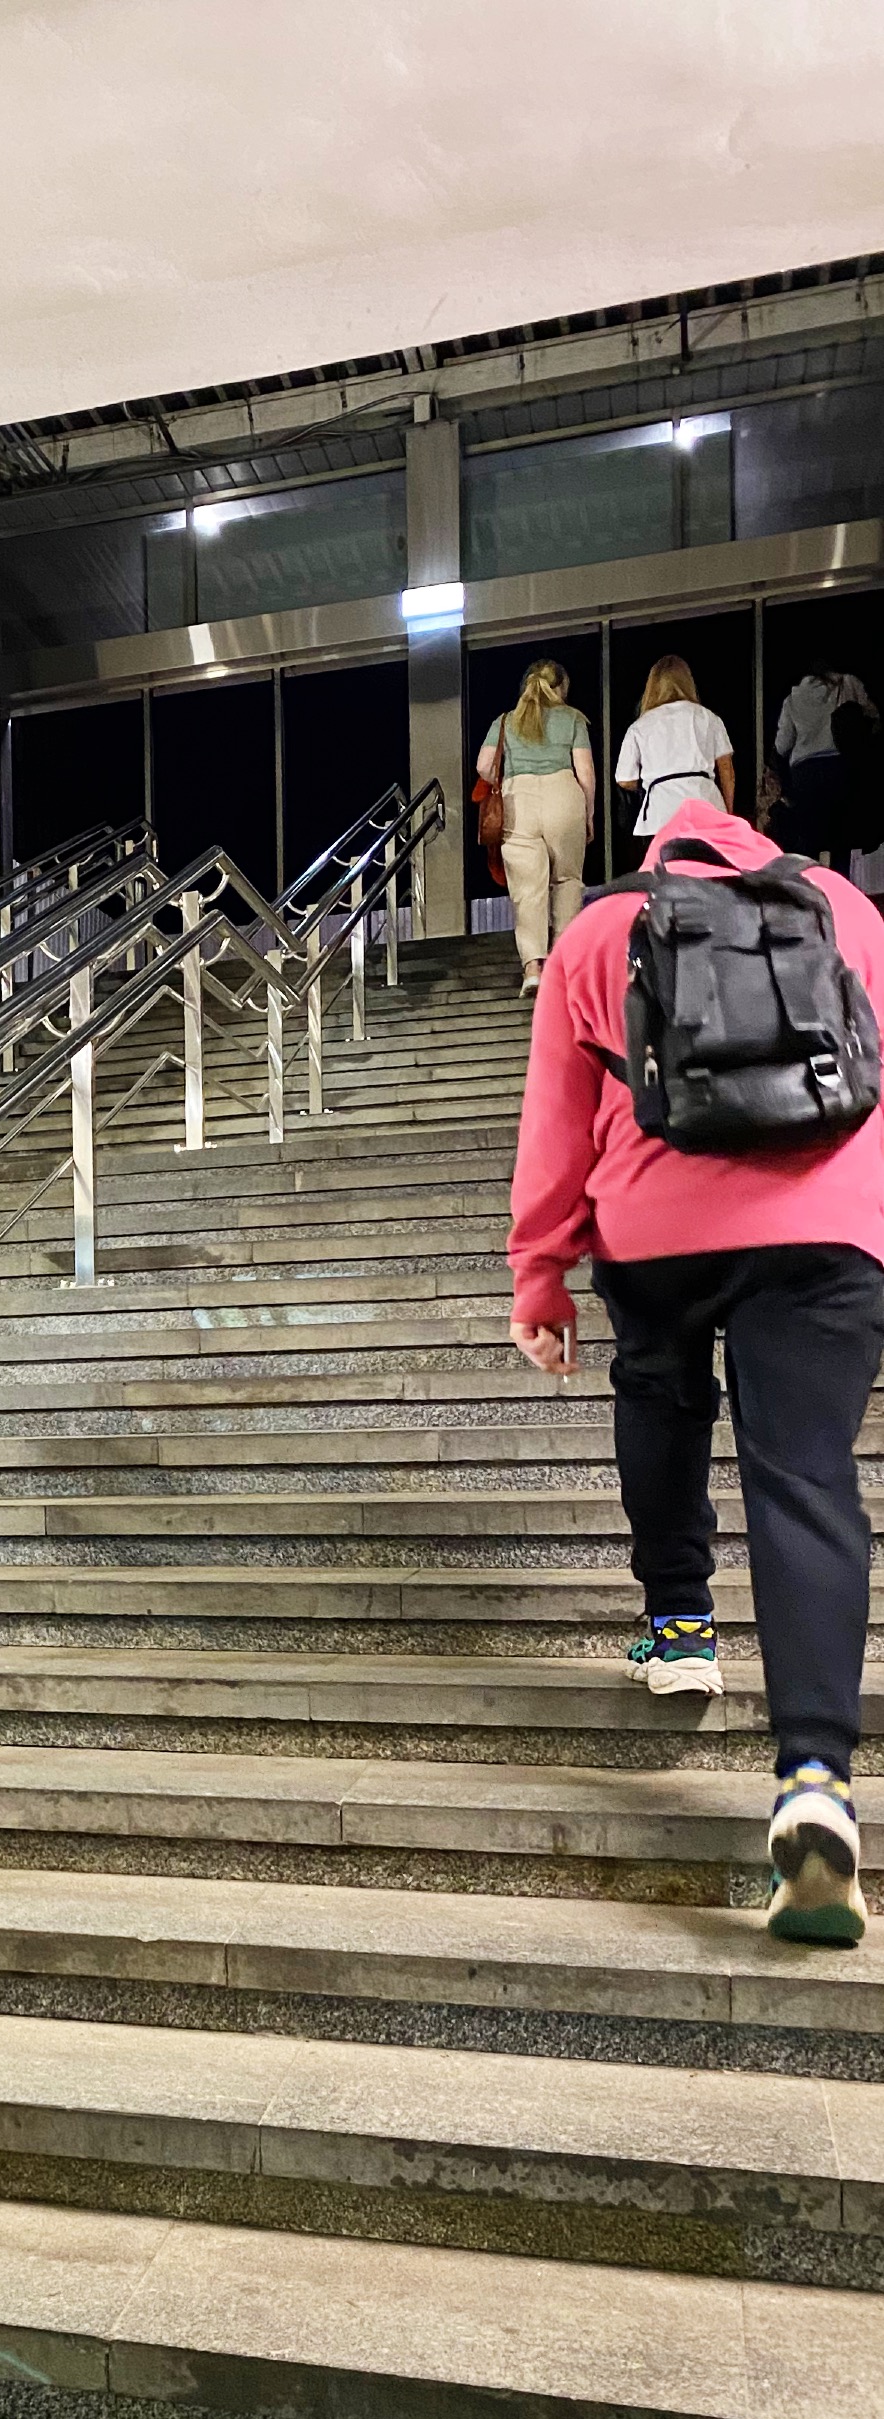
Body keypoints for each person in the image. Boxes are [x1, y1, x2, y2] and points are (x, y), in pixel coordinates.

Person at [506, 795, 884, 1946]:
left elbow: (556, 1122)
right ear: (759, 842)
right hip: (825, 1226)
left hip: (654, 1228)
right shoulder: (847, 908)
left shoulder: (597, 930)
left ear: (654, 854)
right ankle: (814, 1780)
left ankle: (678, 1625)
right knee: (806, 1475)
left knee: (660, 1398)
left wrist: (540, 1273)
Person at [475, 658, 597, 996]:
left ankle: (532, 969)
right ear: (561, 687)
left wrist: (507, 777)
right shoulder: (573, 719)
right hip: (563, 795)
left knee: (528, 888)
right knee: (567, 880)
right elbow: (586, 773)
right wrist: (588, 813)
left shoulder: (506, 720)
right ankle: (563, 965)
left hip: (519, 800)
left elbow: (484, 765)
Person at [614, 655, 735, 839]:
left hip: (660, 814)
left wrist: (651, 783)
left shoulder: (640, 726)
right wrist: (727, 812)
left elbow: (624, 779)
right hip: (706, 806)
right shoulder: (708, 718)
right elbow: (726, 770)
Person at [774, 662, 877, 867]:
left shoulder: (793, 697)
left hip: (805, 773)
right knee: (841, 841)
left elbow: (782, 745)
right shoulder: (849, 682)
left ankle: (810, 884)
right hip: (840, 768)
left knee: (809, 843)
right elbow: (873, 716)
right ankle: (839, 884)